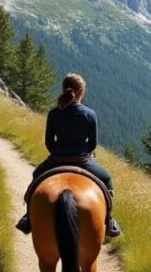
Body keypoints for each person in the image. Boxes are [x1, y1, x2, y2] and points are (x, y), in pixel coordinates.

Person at [16, 73, 120, 237]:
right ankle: (109, 221)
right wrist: (83, 153)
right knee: (106, 178)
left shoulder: (54, 113)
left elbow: (49, 143)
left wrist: (59, 153)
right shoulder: (90, 114)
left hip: (57, 159)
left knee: (36, 176)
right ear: (80, 92)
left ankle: (28, 217)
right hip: (83, 161)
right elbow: (92, 144)